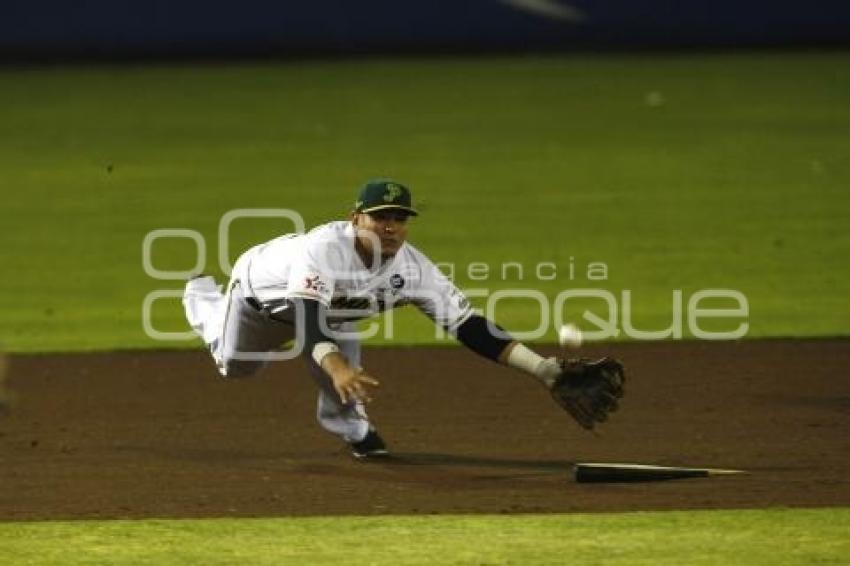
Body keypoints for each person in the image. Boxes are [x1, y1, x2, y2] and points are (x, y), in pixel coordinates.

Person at [183, 179, 624, 459]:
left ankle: (355, 432)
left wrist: (542, 368)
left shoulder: (413, 269)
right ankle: (202, 298)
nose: (390, 227)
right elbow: (308, 315)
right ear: (355, 218)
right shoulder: (322, 250)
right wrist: (333, 364)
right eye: (379, 218)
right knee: (239, 367)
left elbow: (469, 325)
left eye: (399, 219)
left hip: (333, 313)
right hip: (262, 299)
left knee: (344, 377)